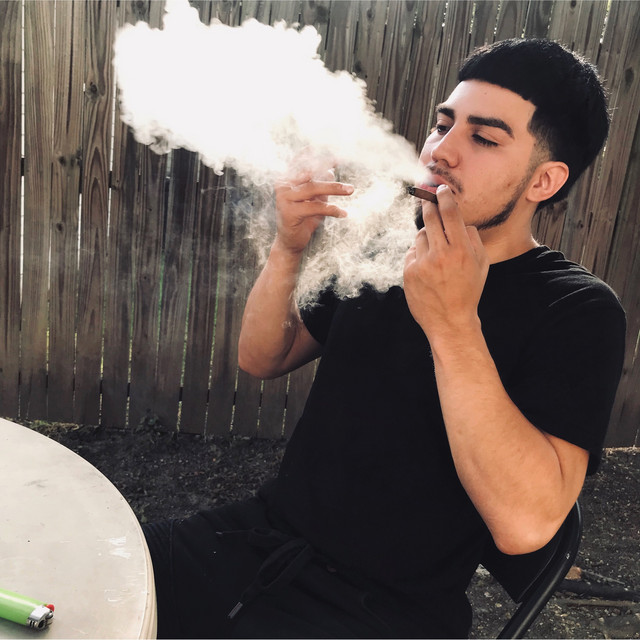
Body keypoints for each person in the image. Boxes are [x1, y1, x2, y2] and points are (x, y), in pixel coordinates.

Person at [143, 38, 626, 638]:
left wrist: (453, 322)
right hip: (258, 541)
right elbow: (263, 357)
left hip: (384, 609)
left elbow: (526, 526)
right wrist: (288, 247)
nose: (441, 151)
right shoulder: (388, 246)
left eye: (484, 138)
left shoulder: (575, 308)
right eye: (443, 125)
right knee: (81, 584)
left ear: (544, 181)